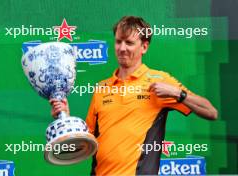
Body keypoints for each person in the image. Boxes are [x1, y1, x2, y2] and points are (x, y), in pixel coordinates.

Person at [50, 16, 218, 175]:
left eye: (129, 43)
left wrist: (177, 94)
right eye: (118, 42)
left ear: (144, 47)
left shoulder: (160, 80)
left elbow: (211, 112)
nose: (122, 48)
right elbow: (85, 144)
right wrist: (65, 119)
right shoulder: (101, 88)